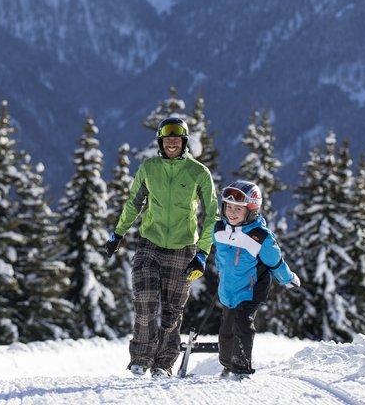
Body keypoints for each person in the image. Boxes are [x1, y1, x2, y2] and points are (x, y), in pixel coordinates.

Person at [103, 117, 218, 377]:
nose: (172, 142)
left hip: (183, 247)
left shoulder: (198, 172)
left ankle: (163, 364)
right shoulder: (149, 168)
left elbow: (212, 214)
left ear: (185, 141)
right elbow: (134, 203)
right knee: (144, 300)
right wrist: (118, 234)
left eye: (177, 138)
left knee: (171, 311)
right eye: (167, 138)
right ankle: (141, 358)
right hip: (150, 243)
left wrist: (202, 253)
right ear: (160, 141)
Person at [213, 180, 300, 380]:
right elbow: (220, 256)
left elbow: (276, 262)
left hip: (250, 289)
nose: (232, 213)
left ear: (251, 211)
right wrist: (221, 273)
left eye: (238, 209)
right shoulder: (219, 229)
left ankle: (241, 369)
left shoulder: (260, 237)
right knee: (226, 330)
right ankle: (227, 365)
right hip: (228, 289)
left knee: (242, 325)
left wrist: (288, 278)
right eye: (229, 207)